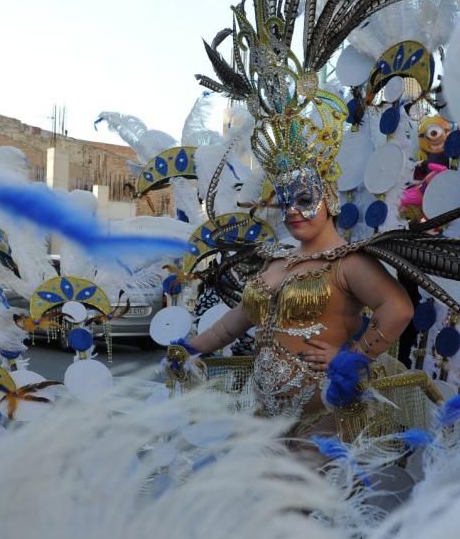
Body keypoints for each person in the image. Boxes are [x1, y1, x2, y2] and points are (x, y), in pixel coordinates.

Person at [173, 167, 414, 438]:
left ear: (330, 200)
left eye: (303, 201)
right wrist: (188, 350)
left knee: (302, 477)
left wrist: (352, 359)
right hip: (266, 415)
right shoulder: (276, 260)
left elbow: (398, 309)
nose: (290, 210)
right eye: (285, 202)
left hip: (326, 413)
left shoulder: (348, 262)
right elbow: (233, 323)